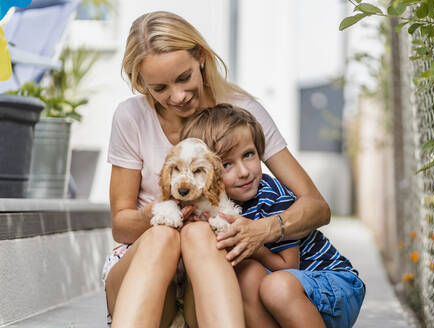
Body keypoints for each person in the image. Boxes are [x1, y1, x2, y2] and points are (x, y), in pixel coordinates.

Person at [103, 10, 331, 328]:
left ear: (200, 56)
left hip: (211, 279)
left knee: (201, 232)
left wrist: (260, 230)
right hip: (144, 274)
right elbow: (120, 225)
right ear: (142, 84)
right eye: (160, 88)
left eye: (184, 78)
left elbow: (317, 206)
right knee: (163, 237)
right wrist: (159, 212)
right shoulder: (131, 117)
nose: (178, 96)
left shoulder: (241, 113)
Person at [181, 104, 365, 327]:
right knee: (247, 276)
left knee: (274, 286)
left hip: (333, 286)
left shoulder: (270, 195)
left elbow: (289, 266)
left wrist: (255, 245)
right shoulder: (217, 207)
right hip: (284, 296)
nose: (244, 171)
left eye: (248, 155)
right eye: (226, 164)